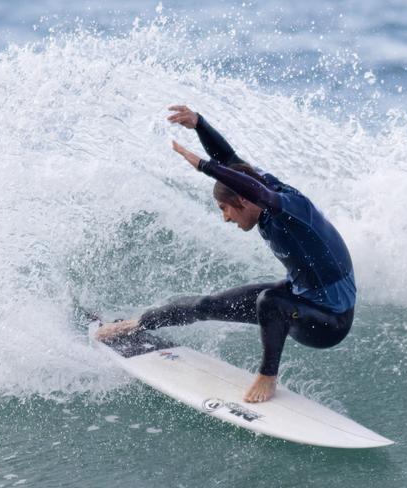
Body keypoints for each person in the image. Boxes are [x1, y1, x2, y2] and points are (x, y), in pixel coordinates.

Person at [96, 105, 356, 403]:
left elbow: (257, 193)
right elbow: (230, 160)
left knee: (270, 301)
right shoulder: (260, 187)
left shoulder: (288, 207)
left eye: (225, 209)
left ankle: (267, 378)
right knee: (207, 304)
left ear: (242, 200)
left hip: (329, 322)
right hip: (303, 295)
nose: (226, 218)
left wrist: (203, 166)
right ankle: (138, 323)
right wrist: (199, 124)